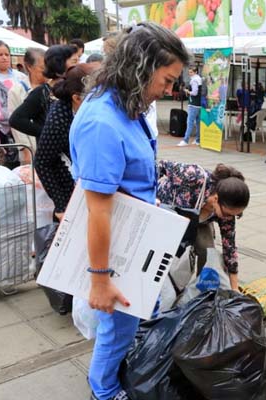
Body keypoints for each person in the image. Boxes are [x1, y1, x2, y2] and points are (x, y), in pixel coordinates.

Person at [70, 22, 188, 400]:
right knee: (116, 329)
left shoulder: (127, 104)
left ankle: (121, 373)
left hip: (136, 237)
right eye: (167, 81)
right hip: (118, 247)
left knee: (132, 320)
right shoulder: (103, 121)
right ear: (141, 66)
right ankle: (103, 391)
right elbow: (98, 211)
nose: (169, 91)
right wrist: (100, 280)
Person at [156, 162, 250, 289]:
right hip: (166, 214)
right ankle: (161, 286)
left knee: (207, 251)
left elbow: (230, 248)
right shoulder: (193, 176)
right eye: (227, 214)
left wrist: (234, 288)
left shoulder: (227, 210)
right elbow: (158, 166)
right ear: (216, 199)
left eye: (235, 215)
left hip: (197, 222)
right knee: (167, 254)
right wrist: (148, 195)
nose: (229, 218)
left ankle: (200, 292)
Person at [34, 64, 98, 221]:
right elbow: (42, 162)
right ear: (76, 98)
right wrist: (61, 204)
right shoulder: (59, 118)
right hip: (69, 188)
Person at [9, 44, 78, 139]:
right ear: (60, 65)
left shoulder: (74, 87)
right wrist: (47, 134)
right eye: (74, 61)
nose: (78, 66)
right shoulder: (42, 92)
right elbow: (16, 120)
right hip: (53, 151)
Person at [0, 40, 30, 166]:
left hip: (23, 127)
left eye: (7, 54)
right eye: (0, 55)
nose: (5, 58)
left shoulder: (20, 77)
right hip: (1, 130)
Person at [8, 47, 46, 162]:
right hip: (30, 150)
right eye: (42, 68)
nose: (47, 72)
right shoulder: (17, 91)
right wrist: (26, 150)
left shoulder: (52, 88)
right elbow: (16, 126)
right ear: (29, 67)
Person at [178, 66, 202, 146]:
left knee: (190, 122)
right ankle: (198, 140)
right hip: (199, 105)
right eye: (189, 72)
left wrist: (187, 91)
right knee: (198, 123)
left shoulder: (194, 80)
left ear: (195, 72)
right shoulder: (199, 79)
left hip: (193, 104)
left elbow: (194, 93)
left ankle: (185, 140)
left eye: (191, 72)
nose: (189, 74)